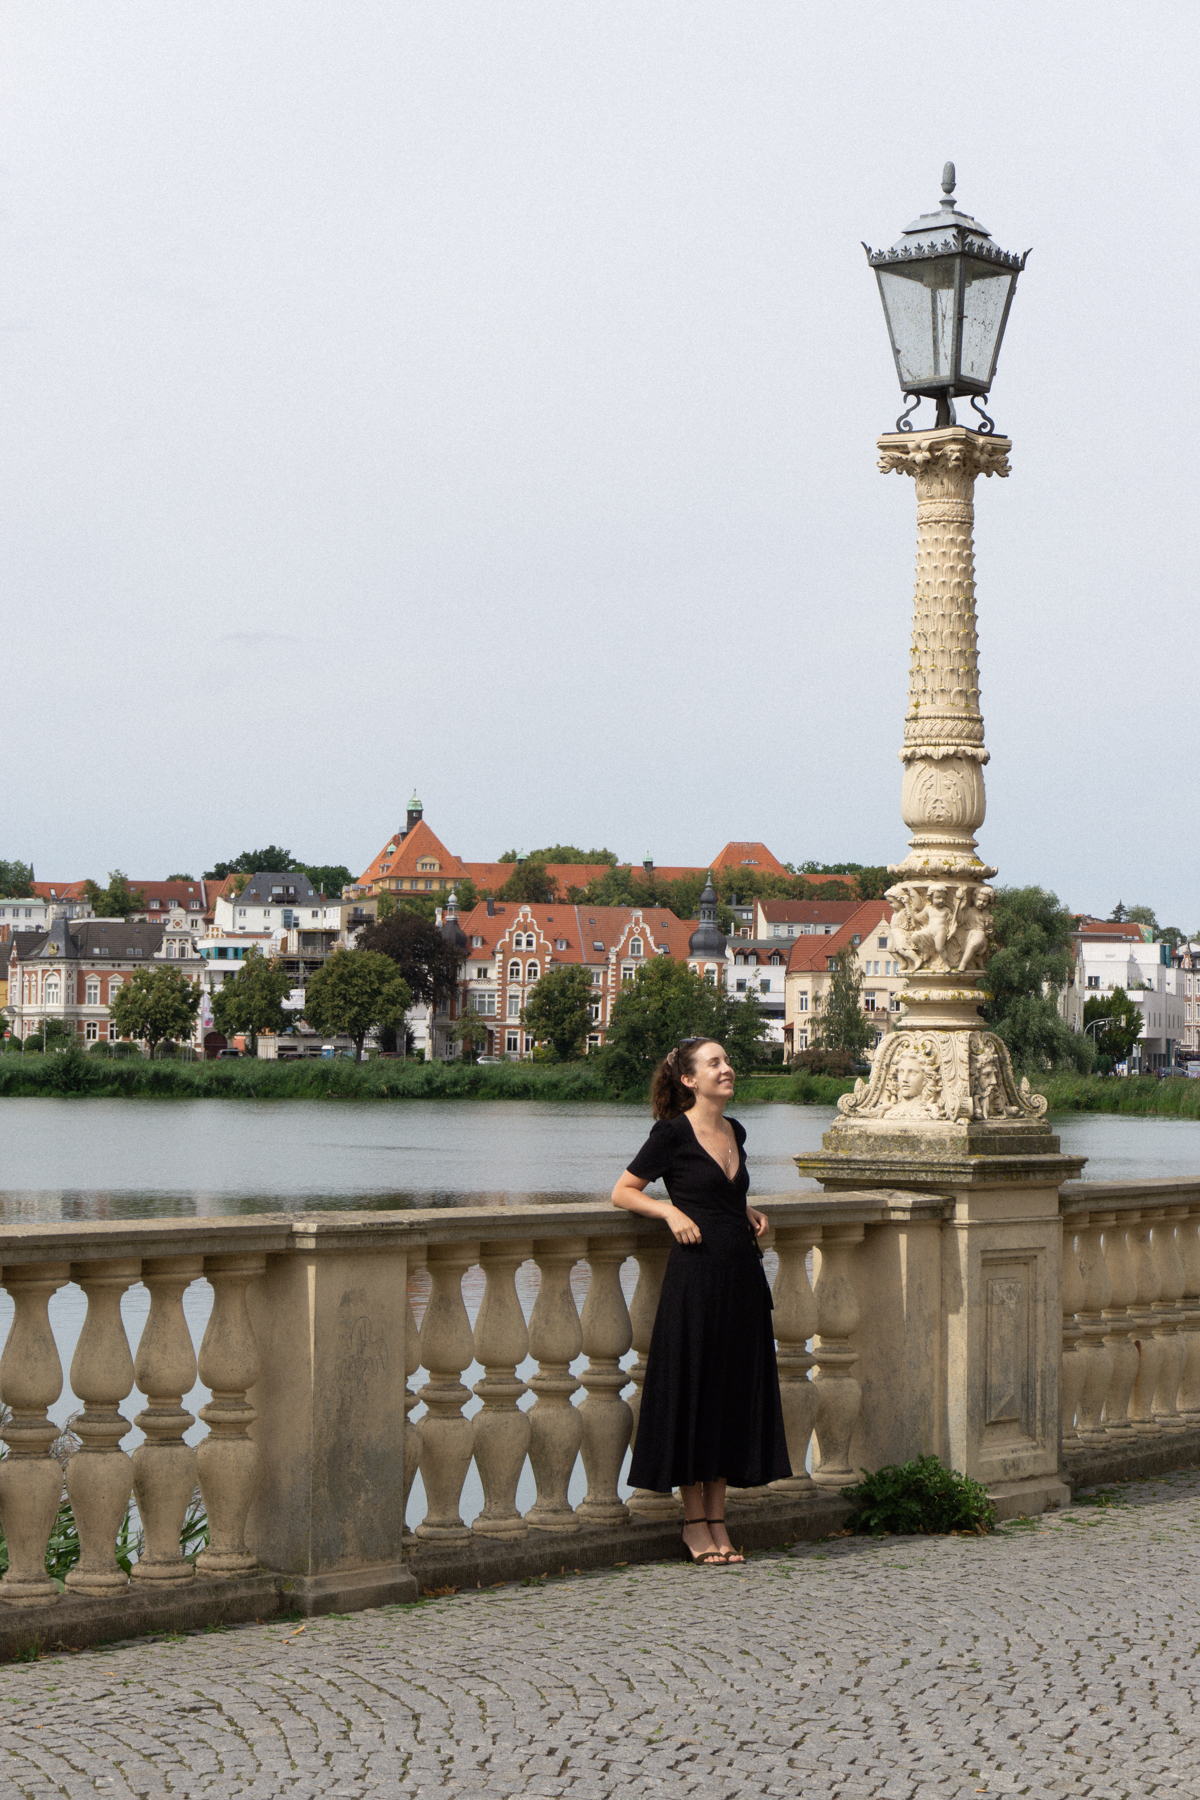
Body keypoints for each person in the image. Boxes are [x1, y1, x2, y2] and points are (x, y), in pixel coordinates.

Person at [611, 1037, 791, 1566]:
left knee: (728, 1398)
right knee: (696, 1395)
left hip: (741, 1278)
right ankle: (695, 1524)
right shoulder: (671, 1132)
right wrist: (669, 1213)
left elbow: (718, 1191)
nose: (726, 1068)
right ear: (689, 1080)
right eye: (715, 1063)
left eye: (727, 1061)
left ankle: (719, 1521)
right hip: (695, 1283)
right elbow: (623, 1190)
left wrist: (746, 1208)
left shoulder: (735, 1130)